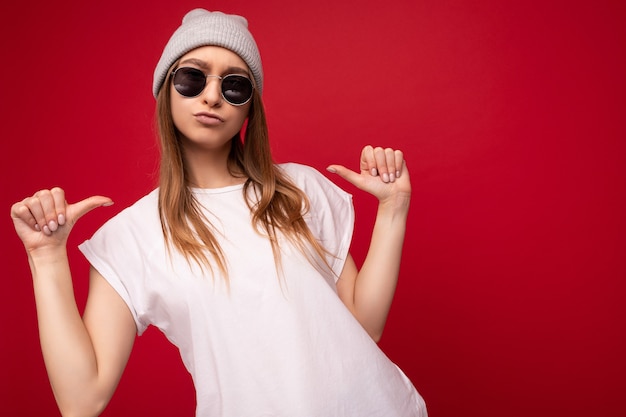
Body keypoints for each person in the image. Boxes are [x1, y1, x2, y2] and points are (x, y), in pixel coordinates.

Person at [10, 8, 427, 417]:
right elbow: (82, 402)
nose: (212, 95)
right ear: (166, 89)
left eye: (235, 86)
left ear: (249, 108)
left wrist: (393, 209)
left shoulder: (298, 190)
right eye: (192, 77)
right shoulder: (131, 237)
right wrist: (46, 258)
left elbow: (365, 325)